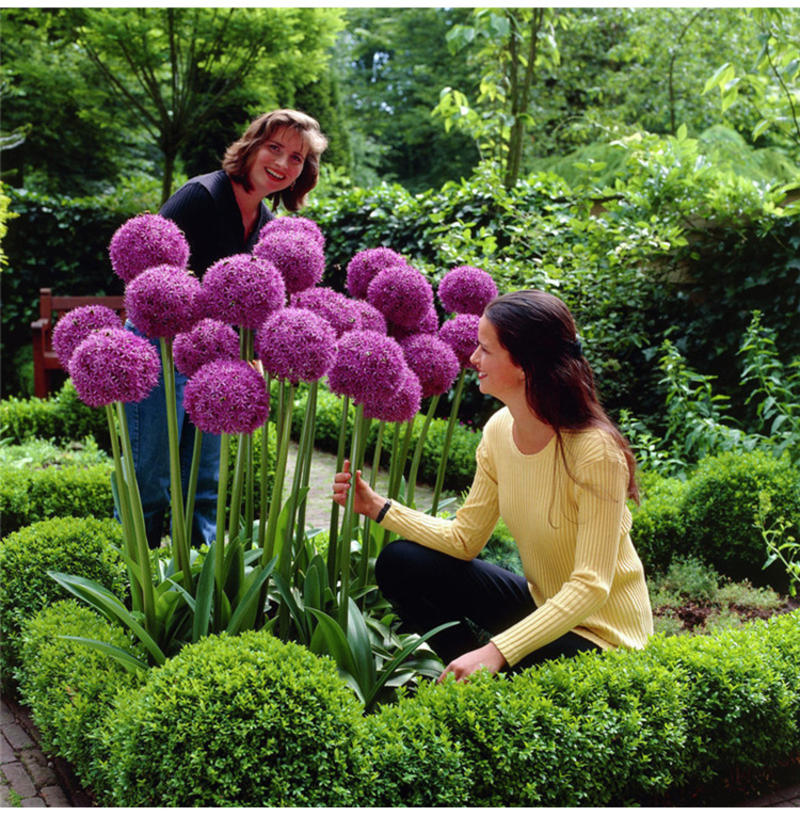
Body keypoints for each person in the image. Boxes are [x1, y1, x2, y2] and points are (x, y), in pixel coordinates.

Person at [332, 289, 653, 681]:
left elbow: (591, 586)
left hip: (604, 639)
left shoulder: (595, 452)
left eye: (485, 349)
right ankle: (475, 677)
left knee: (517, 654)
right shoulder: (499, 430)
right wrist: (379, 508)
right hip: (543, 607)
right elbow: (465, 539)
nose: (473, 359)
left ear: (523, 364)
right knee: (402, 563)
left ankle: (490, 671)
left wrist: (498, 649)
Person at [127, 109, 328, 549]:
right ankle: (137, 579)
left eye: (296, 158)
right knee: (151, 476)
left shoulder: (268, 228)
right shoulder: (200, 196)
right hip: (157, 348)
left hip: (213, 358)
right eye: (274, 147)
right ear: (252, 145)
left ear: (303, 172)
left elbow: (256, 307)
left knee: (204, 481)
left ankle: (201, 578)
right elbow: (147, 277)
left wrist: (256, 352)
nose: (282, 163)